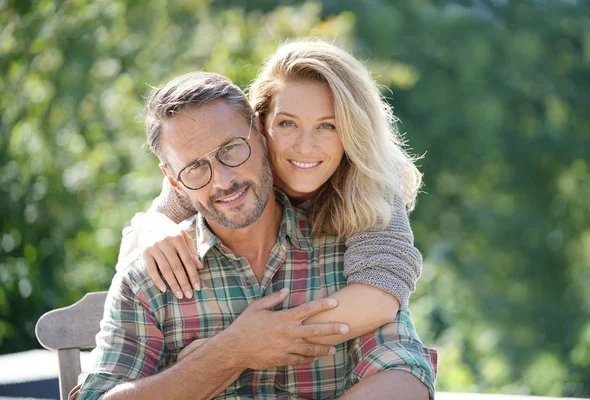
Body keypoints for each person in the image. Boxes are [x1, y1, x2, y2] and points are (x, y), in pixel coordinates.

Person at [74, 71, 436, 399]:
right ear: (173, 180)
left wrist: (263, 340)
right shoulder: (151, 277)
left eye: (232, 148)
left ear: (261, 135)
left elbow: (403, 372)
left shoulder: (351, 247)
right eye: (195, 167)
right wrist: (230, 351)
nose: (223, 180)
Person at [120, 40, 425, 346]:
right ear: (260, 124)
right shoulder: (225, 171)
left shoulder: (370, 183)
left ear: (354, 131)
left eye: (328, 126)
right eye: (287, 123)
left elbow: (379, 296)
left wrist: (237, 350)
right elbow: (132, 257)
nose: (305, 147)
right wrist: (152, 227)